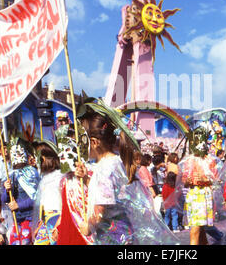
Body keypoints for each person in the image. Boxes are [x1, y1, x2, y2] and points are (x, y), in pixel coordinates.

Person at [75, 99, 178, 245]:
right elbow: (112, 193)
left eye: (83, 141)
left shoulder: (104, 169)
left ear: (94, 142)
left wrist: (89, 226)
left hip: (112, 236)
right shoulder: (117, 162)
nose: (81, 146)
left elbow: (102, 207)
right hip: (125, 231)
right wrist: (86, 179)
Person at [181, 126, 218, 245]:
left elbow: (216, 179)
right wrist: (189, 179)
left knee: (196, 228)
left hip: (203, 194)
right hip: (193, 194)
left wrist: (204, 179)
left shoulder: (209, 160)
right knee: (199, 228)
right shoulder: (189, 160)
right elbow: (184, 180)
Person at [1, 140, 40, 245]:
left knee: (26, 242)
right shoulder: (12, 175)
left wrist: (18, 205)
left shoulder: (31, 173)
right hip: (17, 218)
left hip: (30, 217)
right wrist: (7, 189)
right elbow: (5, 199)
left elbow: (36, 197)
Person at [32, 142, 64, 245]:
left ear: (44, 158)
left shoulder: (60, 176)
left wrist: (59, 224)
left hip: (56, 218)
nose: (34, 161)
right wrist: (40, 223)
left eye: (37, 157)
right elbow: (43, 203)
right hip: (45, 220)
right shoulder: (44, 178)